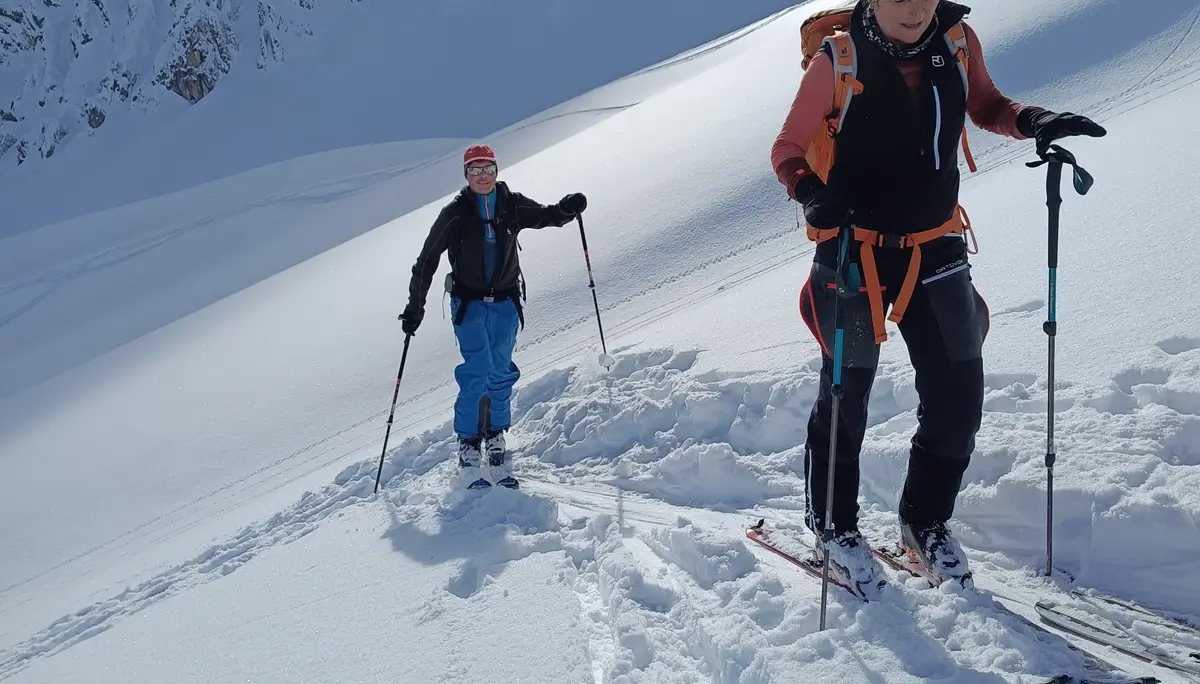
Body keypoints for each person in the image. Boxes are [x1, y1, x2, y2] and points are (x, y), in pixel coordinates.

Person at [771, 0, 1105, 595]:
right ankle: (832, 529)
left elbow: (987, 105)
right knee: (846, 395)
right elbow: (788, 149)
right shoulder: (838, 58)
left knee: (958, 394)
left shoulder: (957, 42)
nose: (915, 7)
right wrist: (810, 191)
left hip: (936, 245)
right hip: (853, 249)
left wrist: (1035, 121)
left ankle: (923, 524)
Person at [400, 144, 587, 489]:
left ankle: (496, 435)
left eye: (488, 169)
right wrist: (415, 308)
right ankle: (469, 442)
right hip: (469, 304)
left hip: (505, 303)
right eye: (475, 170)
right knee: (477, 370)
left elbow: (545, 216)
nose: (483, 176)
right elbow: (426, 261)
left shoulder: (511, 203)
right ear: (466, 175)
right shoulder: (455, 213)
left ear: (496, 171)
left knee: (500, 371)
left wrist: (566, 209)